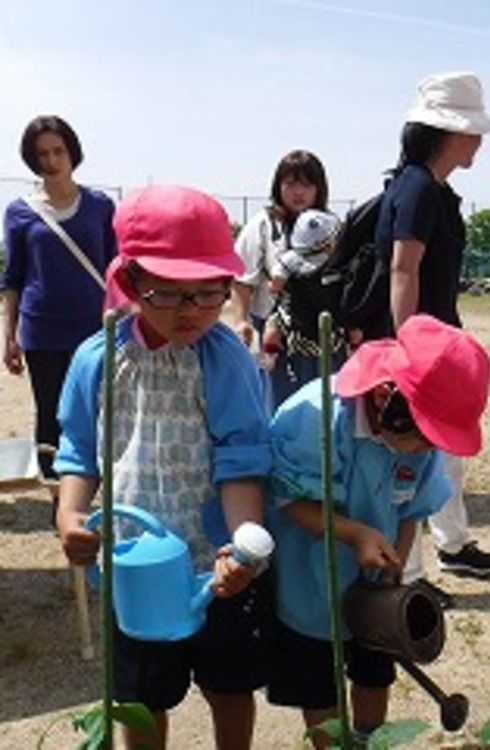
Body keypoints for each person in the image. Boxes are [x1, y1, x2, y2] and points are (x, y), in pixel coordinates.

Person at [55, 185, 273, 750]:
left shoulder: (224, 360)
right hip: (134, 560)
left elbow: (242, 460)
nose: (193, 312)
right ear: (129, 283)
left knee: (228, 686)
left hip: (215, 562)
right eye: (171, 294)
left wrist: (242, 550)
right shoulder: (97, 358)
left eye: (210, 294)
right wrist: (71, 513)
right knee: (140, 697)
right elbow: (80, 449)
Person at [267, 314, 490, 746]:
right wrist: (355, 534)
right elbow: (291, 501)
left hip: (372, 584)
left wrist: (397, 564)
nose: (430, 449)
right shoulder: (316, 418)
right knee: (317, 677)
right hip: (311, 576)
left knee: (374, 665)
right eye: (426, 438)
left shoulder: (419, 441)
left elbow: (413, 508)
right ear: (387, 398)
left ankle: (370, 739)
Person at [375, 71, 490, 604]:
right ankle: (407, 575)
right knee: (408, 459)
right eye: (473, 131)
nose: (478, 141)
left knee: (443, 453)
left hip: (433, 342)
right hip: (419, 348)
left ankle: (450, 545)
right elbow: (403, 270)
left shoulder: (426, 187)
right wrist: (409, 352)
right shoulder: (418, 190)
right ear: (449, 132)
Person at [1, 115, 117, 517]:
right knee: (51, 414)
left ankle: (105, 494)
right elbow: (13, 278)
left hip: (95, 329)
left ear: (72, 152)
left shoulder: (101, 206)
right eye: (42, 154)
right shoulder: (19, 212)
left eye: (58, 151)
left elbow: (116, 268)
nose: (51, 160)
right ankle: (61, 504)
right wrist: (9, 335)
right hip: (42, 331)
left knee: (102, 411)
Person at [232, 149, 334, 408]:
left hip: (321, 330)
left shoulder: (331, 227)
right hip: (274, 329)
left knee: (324, 400)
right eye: (290, 183)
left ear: (319, 188)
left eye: (306, 184)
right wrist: (242, 319)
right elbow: (243, 279)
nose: (298, 192)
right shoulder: (263, 225)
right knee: (280, 400)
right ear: (278, 187)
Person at [260, 207, 341, 358]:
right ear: (328, 244)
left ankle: (271, 344)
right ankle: (355, 341)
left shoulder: (291, 258)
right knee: (350, 324)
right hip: (330, 319)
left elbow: (277, 278)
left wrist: (274, 286)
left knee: (275, 321)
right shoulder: (334, 261)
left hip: (296, 320)